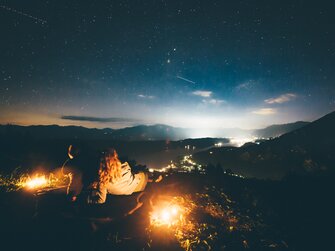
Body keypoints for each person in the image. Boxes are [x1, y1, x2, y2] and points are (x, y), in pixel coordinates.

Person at [87, 149, 161, 204]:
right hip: (140, 179)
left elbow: (101, 200)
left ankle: (154, 179)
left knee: (137, 176)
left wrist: (89, 199)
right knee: (139, 174)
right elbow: (130, 171)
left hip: (134, 189)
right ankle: (155, 179)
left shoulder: (102, 183)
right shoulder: (123, 166)